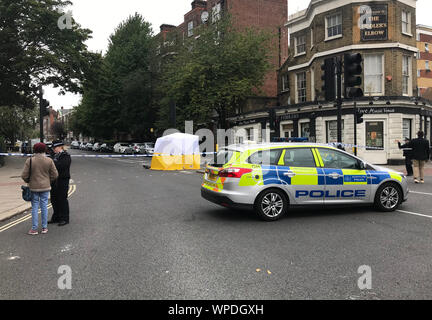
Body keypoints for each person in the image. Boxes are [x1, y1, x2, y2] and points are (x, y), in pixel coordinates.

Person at [21, 143, 58, 235]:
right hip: (45, 187)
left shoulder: (29, 161)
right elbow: (55, 174)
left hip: (33, 187)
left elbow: (24, 175)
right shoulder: (49, 160)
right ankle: (44, 228)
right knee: (44, 206)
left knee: (34, 207)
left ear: (34, 150)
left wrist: (29, 181)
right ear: (45, 150)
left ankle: (34, 229)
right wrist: (48, 181)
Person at [48, 140, 72, 226]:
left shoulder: (66, 156)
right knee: (54, 199)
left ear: (60, 147)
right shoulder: (53, 155)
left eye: (55, 148)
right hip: (54, 180)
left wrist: (52, 163)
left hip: (62, 180)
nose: (53, 149)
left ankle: (64, 218)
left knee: (62, 199)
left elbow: (61, 166)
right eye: (53, 148)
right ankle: (56, 217)